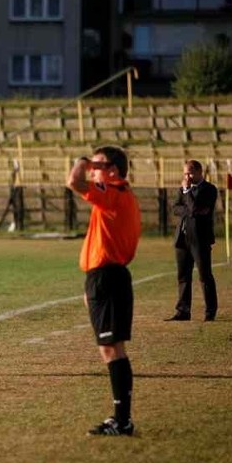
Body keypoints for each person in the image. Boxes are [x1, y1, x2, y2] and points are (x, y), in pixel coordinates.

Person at [67, 146, 141, 436]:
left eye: (98, 164)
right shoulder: (118, 194)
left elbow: (74, 181)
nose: (92, 169)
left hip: (108, 277)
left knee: (112, 349)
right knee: (109, 349)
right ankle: (121, 419)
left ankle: (122, 420)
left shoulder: (114, 192)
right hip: (103, 277)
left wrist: (80, 162)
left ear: (112, 170)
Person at [165, 160, 218, 322]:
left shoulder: (209, 190)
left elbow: (195, 209)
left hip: (200, 240)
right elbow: (175, 208)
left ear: (199, 172)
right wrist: (189, 206)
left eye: (189, 173)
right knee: (183, 276)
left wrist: (187, 192)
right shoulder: (183, 189)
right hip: (182, 239)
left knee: (204, 276)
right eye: (185, 174)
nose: (186, 177)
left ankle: (210, 312)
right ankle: (183, 311)